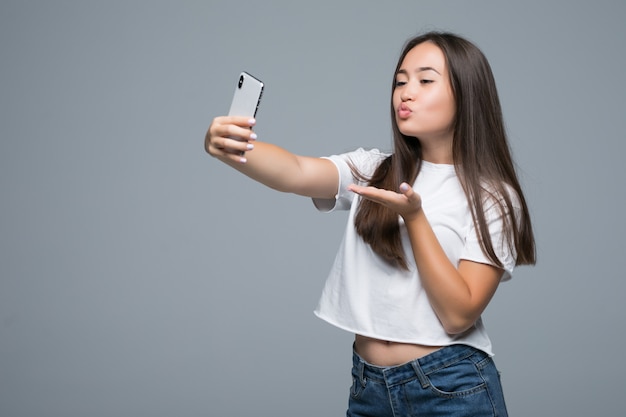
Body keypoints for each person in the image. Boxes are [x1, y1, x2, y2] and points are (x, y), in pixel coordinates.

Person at [205, 31, 536, 417]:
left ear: (467, 95)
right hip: (369, 388)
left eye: (425, 81)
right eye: (400, 81)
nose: (405, 93)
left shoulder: (492, 197)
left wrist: (415, 217)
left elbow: (458, 314)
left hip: (451, 388)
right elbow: (295, 171)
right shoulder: (374, 169)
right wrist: (232, 147)